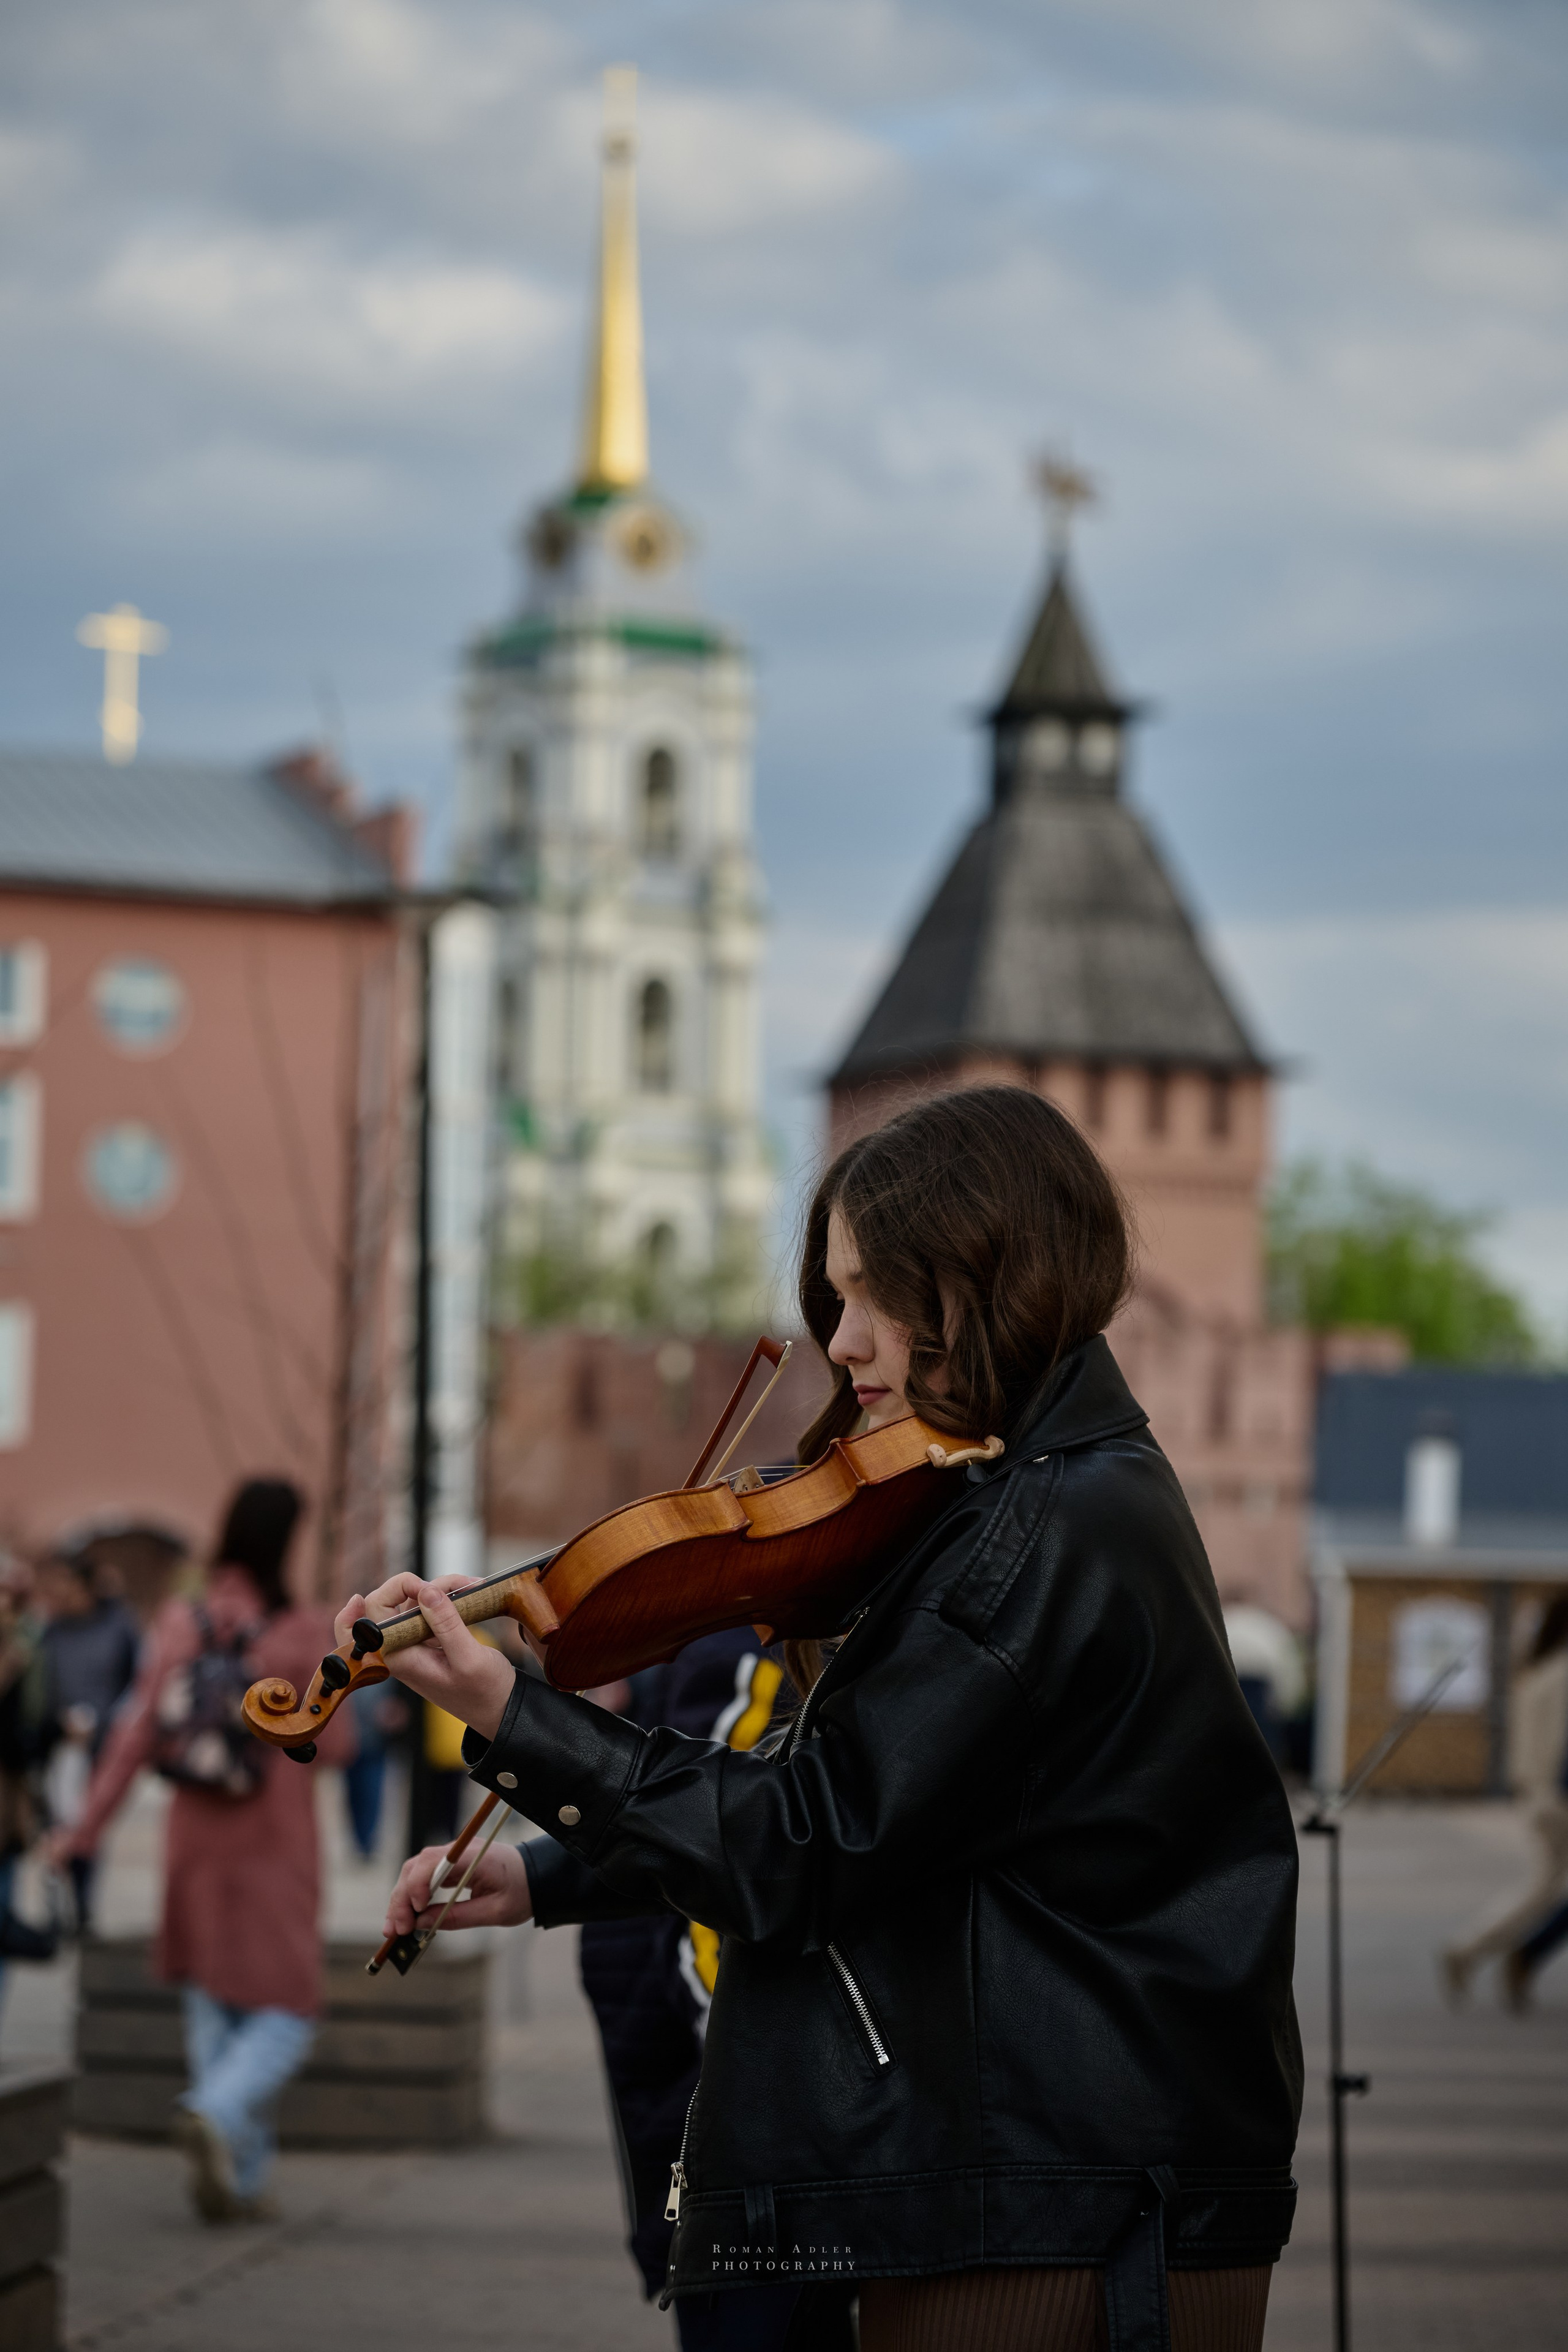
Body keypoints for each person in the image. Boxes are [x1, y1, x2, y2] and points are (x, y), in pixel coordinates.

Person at [366, 1088, 1303, 2352]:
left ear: (979, 1277)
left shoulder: (1037, 1533)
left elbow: (808, 1845)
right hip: (1049, 2184)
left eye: (871, 1297)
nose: (843, 1345)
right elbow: (882, 1808)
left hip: (1053, 2211)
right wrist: (547, 1878)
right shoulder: (1044, 1498)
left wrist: (516, 1716)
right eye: (833, 1300)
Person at [51, 1479, 353, 2222]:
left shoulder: (182, 1623)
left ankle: (242, 2181)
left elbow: (131, 1737)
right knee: (288, 2008)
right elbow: (338, 1745)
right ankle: (217, 2115)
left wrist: (84, 1831)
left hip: (194, 1840)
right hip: (274, 1841)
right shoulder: (300, 1631)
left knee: (213, 2000)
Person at [1442, 1595, 1568, 2007]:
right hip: (1556, 1798)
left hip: (1538, 1794)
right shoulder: (1562, 1671)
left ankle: (1482, 1951)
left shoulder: (1539, 1669)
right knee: (1543, 1892)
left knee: (1545, 1889)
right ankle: (1482, 1950)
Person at [36, 1543, 141, 1934]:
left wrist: (110, 1719)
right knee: (53, 1824)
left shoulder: (119, 1626)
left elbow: (137, 1682)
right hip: (59, 1744)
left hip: (103, 1744)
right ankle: (55, 1910)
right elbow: (40, 1686)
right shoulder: (51, 1631)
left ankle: (82, 1907)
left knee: (88, 1822)